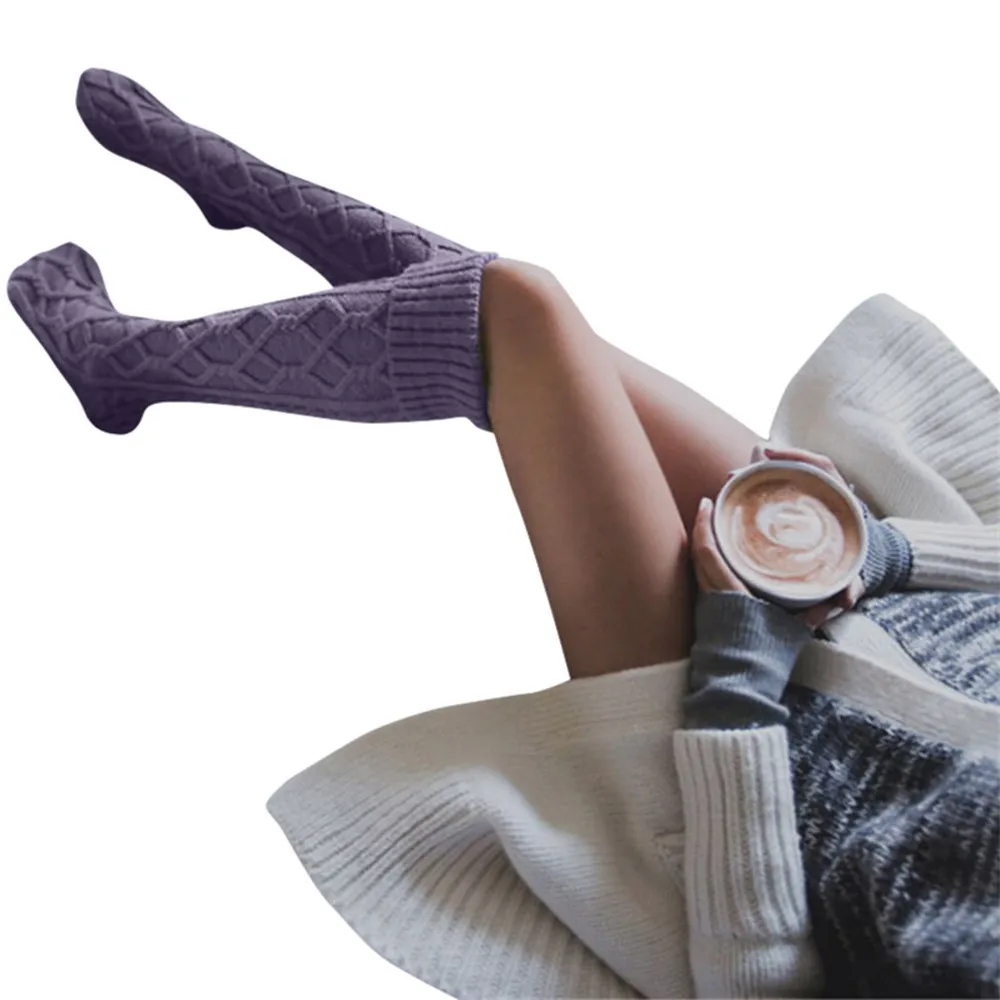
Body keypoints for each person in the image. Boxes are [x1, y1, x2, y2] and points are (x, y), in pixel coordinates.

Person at [9, 69, 999, 999]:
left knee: (520, 314)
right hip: (866, 581)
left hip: (726, 743)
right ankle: (235, 207)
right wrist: (889, 556)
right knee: (536, 340)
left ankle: (125, 363)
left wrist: (737, 668)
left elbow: (760, 981)